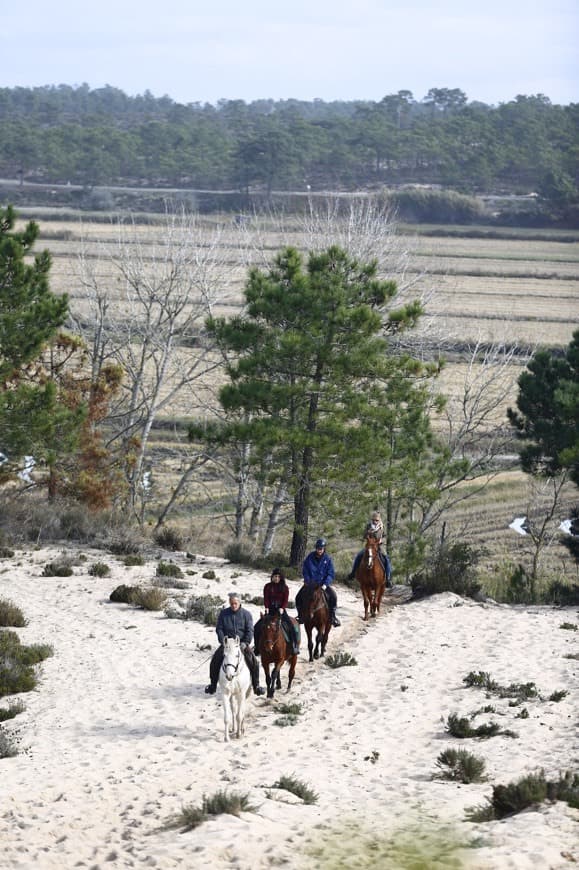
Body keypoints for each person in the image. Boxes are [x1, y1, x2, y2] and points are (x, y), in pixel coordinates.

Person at [204, 591, 265, 696]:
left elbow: (250, 630)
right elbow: (219, 628)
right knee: (215, 660)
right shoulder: (223, 613)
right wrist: (223, 640)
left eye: (235, 603)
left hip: (242, 643)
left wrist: (245, 642)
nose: (233, 605)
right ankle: (213, 685)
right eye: (231, 603)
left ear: (239, 603)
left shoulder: (246, 614)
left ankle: (256, 686)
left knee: (254, 661)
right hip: (227, 644)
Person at [254, 568, 300, 656]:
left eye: (279, 577)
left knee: (291, 626)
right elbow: (266, 598)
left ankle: (294, 646)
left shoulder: (285, 588)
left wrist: (282, 608)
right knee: (257, 626)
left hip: (280, 612)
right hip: (270, 611)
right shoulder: (267, 586)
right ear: (272, 577)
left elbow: (285, 600)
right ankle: (257, 647)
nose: (277, 578)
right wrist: (266, 607)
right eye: (275, 576)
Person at [296, 537, 340, 627]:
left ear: (324, 549)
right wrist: (307, 581)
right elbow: (305, 570)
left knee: (333, 597)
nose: (319, 550)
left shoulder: (328, 559)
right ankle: (300, 616)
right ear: (316, 548)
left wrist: (325, 584)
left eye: (321, 549)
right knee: (298, 597)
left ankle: (333, 617)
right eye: (318, 548)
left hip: (322, 585)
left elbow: (330, 574)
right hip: (310, 585)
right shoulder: (309, 557)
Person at [347, 510, 392, 587]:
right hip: (369, 546)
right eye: (373, 520)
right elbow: (364, 536)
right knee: (359, 555)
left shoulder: (382, 527)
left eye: (376, 520)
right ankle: (353, 573)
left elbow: (384, 536)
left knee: (386, 559)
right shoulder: (368, 526)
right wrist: (368, 532)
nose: (375, 521)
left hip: (378, 546)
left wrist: (381, 541)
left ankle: (388, 578)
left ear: (379, 520)